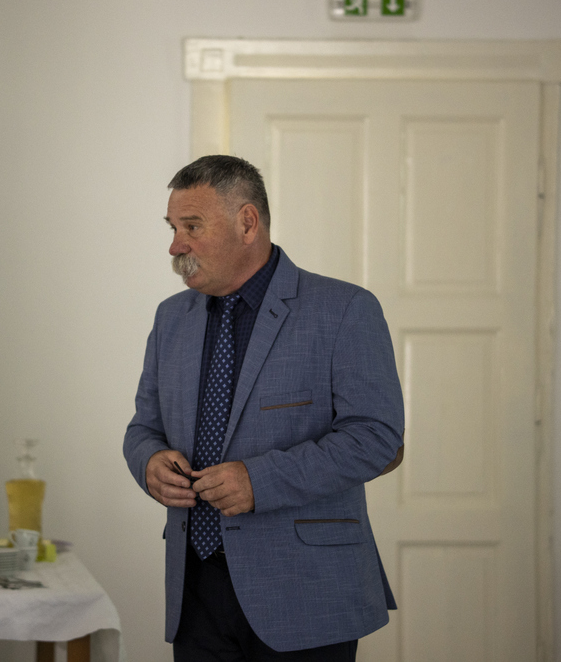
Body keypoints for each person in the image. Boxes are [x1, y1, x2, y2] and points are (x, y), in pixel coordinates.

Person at [123, 155, 405, 661]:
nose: (175, 245)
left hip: (306, 592)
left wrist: (261, 481)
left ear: (247, 223)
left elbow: (377, 439)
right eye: (173, 228)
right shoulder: (171, 318)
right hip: (195, 592)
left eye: (192, 226)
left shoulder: (345, 309)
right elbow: (144, 427)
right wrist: (148, 462)